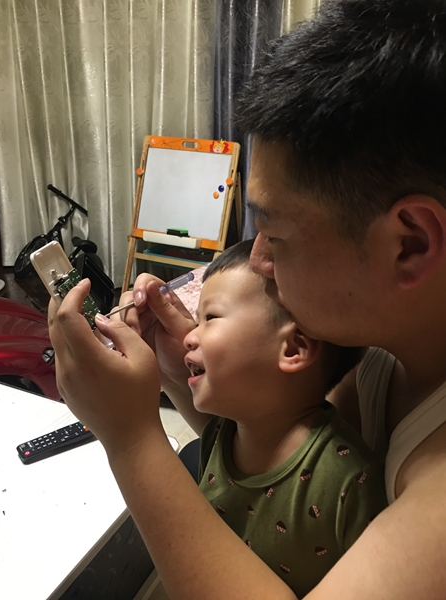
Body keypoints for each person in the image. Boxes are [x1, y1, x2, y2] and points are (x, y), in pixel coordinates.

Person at [48, 0, 446, 598]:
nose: (258, 259)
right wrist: (177, 375)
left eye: (274, 234)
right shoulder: (388, 345)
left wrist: (130, 438)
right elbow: (281, 443)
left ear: (409, 244)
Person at [179, 239, 386, 597]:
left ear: (293, 348)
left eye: (210, 318)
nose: (189, 337)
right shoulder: (219, 435)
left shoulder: (349, 483)